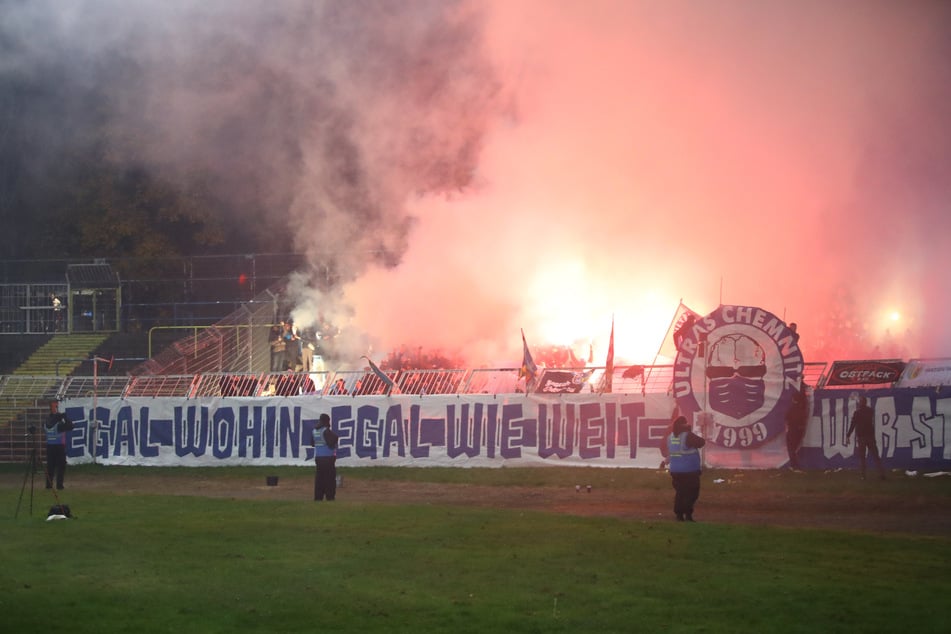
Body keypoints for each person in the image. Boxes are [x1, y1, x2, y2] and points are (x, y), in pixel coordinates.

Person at [666, 415, 705, 521]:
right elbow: (701, 442)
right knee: (692, 493)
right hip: (689, 470)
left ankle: (679, 515)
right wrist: (698, 431)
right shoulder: (688, 436)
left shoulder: (671, 437)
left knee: (680, 493)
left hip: (675, 471)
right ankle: (688, 514)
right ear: (684, 424)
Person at [846, 395, 886, 480]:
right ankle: (881, 474)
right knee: (875, 456)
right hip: (870, 436)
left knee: (862, 457)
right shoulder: (870, 411)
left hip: (862, 437)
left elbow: (853, 424)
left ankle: (863, 476)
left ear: (860, 403)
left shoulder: (857, 412)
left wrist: (848, 434)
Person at [44, 400, 74, 490]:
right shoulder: (59, 425)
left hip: (49, 446)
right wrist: (65, 418)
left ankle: (48, 485)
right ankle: (59, 485)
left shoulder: (46, 422)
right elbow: (71, 426)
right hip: (59, 446)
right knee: (61, 466)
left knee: (50, 467)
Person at [311, 413, 339, 501]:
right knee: (329, 479)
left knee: (319, 479)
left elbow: (312, 443)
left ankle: (318, 497)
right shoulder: (326, 431)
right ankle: (330, 497)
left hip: (318, 458)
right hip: (328, 458)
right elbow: (333, 439)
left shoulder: (314, 431)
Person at [784, 382, 809, 470]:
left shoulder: (792, 408)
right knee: (794, 448)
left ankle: (795, 465)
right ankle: (795, 465)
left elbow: (786, 418)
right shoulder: (803, 408)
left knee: (791, 448)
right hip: (800, 430)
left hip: (793, 430)